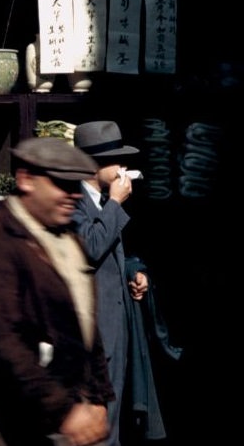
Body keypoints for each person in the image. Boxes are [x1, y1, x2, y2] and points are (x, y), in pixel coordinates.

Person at [0, 137, 113, 446]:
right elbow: (3, 347)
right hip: (8, 423)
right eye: (61, 184)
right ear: (26, 179)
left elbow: (85, 327)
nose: (72, 195)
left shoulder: (67, 240)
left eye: (75, 185)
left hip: (65, 416)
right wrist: (64, 411)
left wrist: (98, 397)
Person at [71, 121, 175, 446]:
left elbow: (113, 254)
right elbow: (89, 248)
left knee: (112, 423)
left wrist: (133, 272)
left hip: (114, 330)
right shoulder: (73, 202)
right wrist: (116, 203)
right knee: (99, 425)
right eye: (115, 160)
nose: (122, 169)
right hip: (94, 335)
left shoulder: (100, 200)